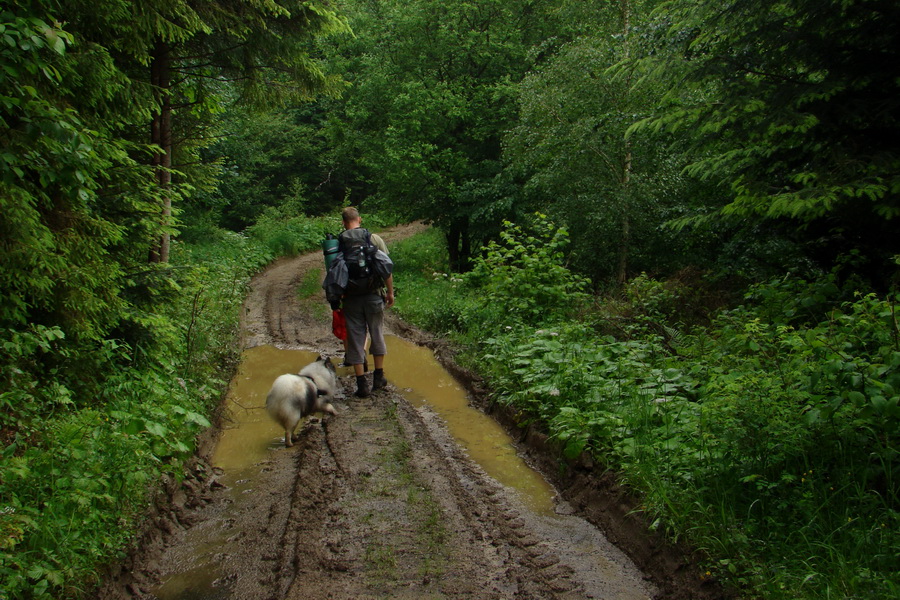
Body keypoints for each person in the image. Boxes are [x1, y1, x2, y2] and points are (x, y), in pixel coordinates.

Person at [335, 207, 394, 398]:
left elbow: (334, 273)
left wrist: (337, 298)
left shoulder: (339, 243)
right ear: (359, 219)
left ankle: (361, 385)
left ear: (344, 222)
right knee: (376, 333)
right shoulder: (373, 239)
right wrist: (390, 292)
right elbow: (386, 267)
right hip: (373, 295)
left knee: (356, 338)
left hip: (351, 299)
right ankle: (378, 377)